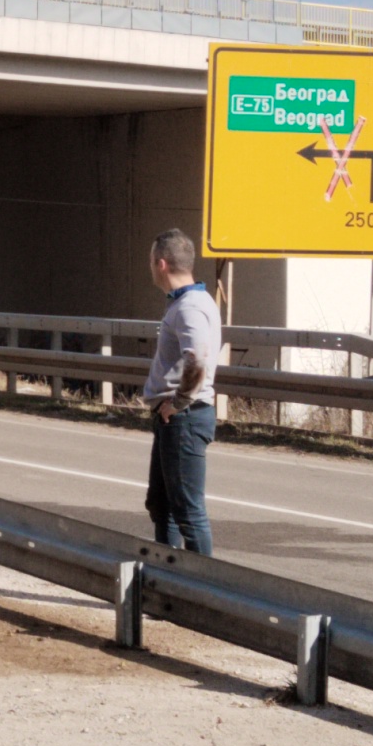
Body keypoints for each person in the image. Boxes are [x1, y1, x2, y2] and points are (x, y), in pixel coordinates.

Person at [142, 228, 221, 556]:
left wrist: (177, 403)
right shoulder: (187, 302)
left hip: (184, 418)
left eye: (150, 261)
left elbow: (197, 358)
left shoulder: (189, 306)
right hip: (175, 418)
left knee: (188, 513)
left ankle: (206, 593)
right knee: (162, 507)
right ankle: (171, 585)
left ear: (161, 264)